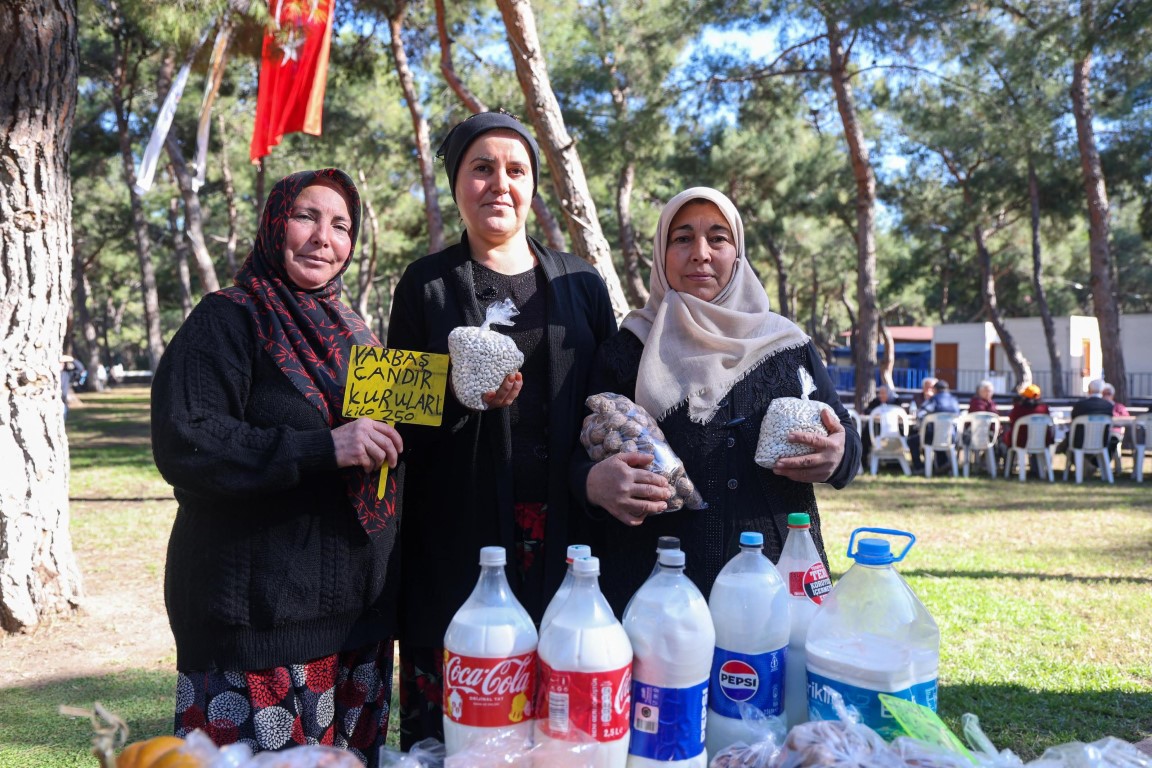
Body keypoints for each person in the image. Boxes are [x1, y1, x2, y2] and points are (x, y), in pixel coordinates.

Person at [151, 169, 403, 765]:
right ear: (273, 224)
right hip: (258, 628)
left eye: (341, 225)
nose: (323, 238)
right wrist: (323, 448)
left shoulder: (356, 333)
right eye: (306, 216)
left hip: (356, 627)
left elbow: (388, 452)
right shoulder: (227, 319)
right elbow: (189, 440)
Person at [386, 110, 616, 749]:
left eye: (515, 170)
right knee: (467, 724)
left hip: (567, 534)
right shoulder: (426, 284)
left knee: (562, 716)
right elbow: (394, 415)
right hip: (457, 535)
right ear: (456, 182)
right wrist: (460, 397)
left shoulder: (580, 281)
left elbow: (611, 400)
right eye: (481, 168)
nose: (499, 184)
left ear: (533, 184)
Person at [580, 187, 861, 616]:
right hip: (655, 590)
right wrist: (594, 483)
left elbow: (848, 440)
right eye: (682, 238)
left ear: (738, 252)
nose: (700, 253)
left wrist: (838, 456)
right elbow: (577, 456)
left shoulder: (788, 345)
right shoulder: (626, 351)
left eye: (717, 238)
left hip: (775, 585)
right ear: (661, 253)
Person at [1000, 383, 1053, 475]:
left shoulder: (1018, 408)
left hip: (1019, 441)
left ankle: (1007, 470)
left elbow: (1012, 419)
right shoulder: (1044, 409)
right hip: (1040, 441)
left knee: (1005, 439)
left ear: (1024, 396)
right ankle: (1037, 471)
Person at [909, 379, 960, 471]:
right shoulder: (954, 400)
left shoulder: (934, 399)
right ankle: (942, 464)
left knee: (913, 440)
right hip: (951, 437)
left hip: (933, 437)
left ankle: (919, 467)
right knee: (937, 435)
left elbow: (920, 414)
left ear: (935, 390)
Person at [861, 384, 901, 465]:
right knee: (866, 432)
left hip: (893, 429)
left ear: (889, 393)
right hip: (876, 427)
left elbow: (900, 412)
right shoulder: (876, 401)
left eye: (884, 393)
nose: (881, 395)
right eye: (880, 393)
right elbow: (867, 411)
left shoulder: (895, 401)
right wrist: (877, 412)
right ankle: (863, 460)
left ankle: (894, 463)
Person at [1102, 381, 1130, 448]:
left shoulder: (1119, 407)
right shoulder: (1098, 407)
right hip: (1099, 431)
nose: (1106, 396)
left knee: (1112, 438)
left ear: (1113, 395)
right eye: (1104, 394)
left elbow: (1127, 419)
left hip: (1114, 432)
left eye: (1108, 393)